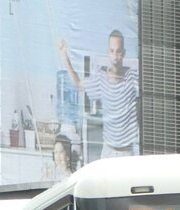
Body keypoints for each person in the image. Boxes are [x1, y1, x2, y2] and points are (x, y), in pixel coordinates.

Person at [58, 30, 140, 158]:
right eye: (112, 51)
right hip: (108, 150)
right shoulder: (101, 78)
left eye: (118, 52)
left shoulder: (132, 77)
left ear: (123, 54)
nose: (115, 56)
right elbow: (79, 84)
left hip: (128, 152)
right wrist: (65, 56)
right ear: (108, 53)